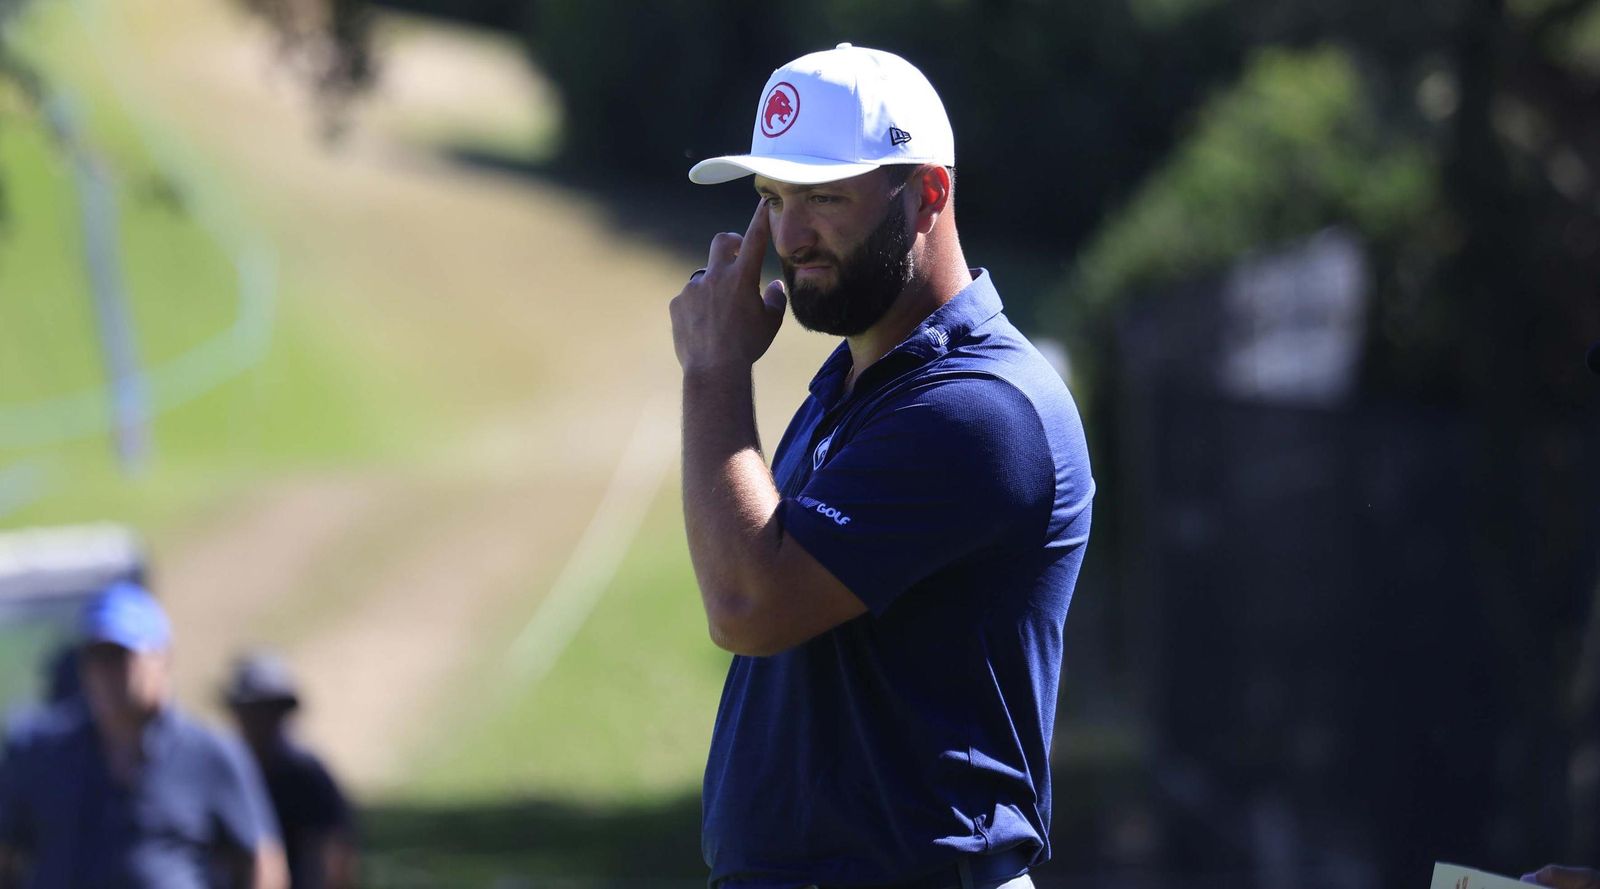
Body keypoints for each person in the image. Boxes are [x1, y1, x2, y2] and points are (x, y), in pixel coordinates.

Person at [671, 43, 1095, 889]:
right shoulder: (856, 386)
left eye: (825, 196)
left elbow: (749, 602)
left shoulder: (981, 407)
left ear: (929, 193)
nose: (790, 237)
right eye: (772, 198)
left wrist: (715, 370)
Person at [0, 581, 288, 888]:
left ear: (162, 658)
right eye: (96, 657)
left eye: (120, 657)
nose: (106, 673)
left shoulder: (209, 753)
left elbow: (262, 859)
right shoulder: (40, 753)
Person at [223, 652, 358, 889]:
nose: (262, 720)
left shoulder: (307, 775)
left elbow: (335, 851)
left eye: (271, 710)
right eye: (254, 710)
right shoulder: (222, 773)